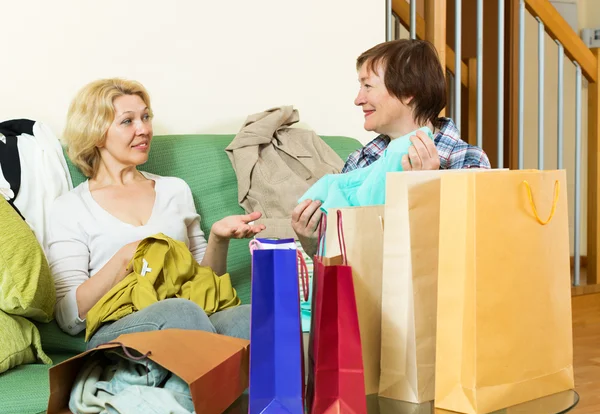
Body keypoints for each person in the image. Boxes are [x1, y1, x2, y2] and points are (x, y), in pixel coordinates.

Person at [47, 78, 264, 349]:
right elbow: (68, 318)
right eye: (128, 121)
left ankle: (238, 388)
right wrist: (127, 256)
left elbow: (203, 286)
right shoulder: (71, 207)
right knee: (181, 312)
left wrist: (219, 239)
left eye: (146, 117)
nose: (145, 129)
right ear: (96, 132)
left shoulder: (174, 189)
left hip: (192, 316)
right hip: (117, 327)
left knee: (252, 318)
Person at [292, 38, 491, 257]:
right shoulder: (362, 160)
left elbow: (472, 252)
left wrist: (426, 190)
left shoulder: (467, 160)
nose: (358, 100)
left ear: (408, 92)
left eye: (368, 86)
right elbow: (342, 259)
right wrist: (311, 239)